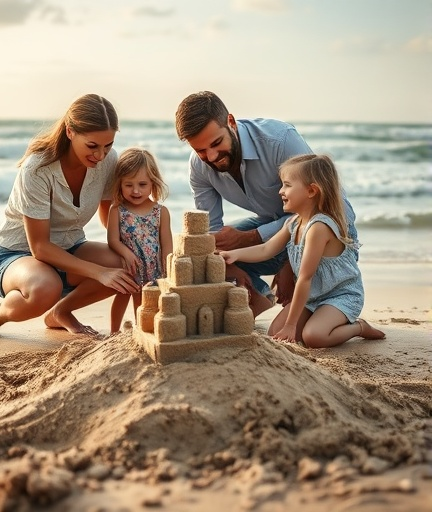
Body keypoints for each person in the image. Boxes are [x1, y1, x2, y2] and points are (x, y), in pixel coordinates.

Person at [0, 94, 139, 338]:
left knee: (129, 266)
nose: (100, 155)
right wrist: (99, 272)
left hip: (71, 247)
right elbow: (40, 248)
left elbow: (107, 219)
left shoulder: (109, 161)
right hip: (17, 255)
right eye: (92, 146)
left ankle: (60, 312)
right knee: (46, 288)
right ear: (70, 131)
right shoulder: (37, 168)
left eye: (107, 145)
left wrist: (141, 242)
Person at [175, 91, 358, 317]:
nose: (211, 157)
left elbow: (334, 208)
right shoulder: (198, 167)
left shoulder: (279, 140)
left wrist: (291, 261)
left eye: (216, 143)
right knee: (201, 256)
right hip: (277, 231)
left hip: (322, 232)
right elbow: (211, 231)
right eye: (200, 150)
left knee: (312, 330)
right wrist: (228, 266)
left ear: (231, 122)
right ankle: (260, 297)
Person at [219, 154, 385, 348]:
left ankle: (359, 327)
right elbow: (266, 249)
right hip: (314, 296)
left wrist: (291, 325)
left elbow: (305, 278)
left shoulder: (318, 228)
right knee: (274, 333)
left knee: (314, 337)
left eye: (287, 185)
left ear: (311, 190)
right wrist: (235, 254)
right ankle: (318, 317)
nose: (281, 191)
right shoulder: (293, 223)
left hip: (340, 295)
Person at [107, 148, 173, 334]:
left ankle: (142, 330)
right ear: (119, 184)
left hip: (154, 268)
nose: (135, 191)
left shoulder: (160, 212)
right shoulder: (117, 210)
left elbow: (167, 243)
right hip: (129, 266)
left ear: (153, 183)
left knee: (146, 300)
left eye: (142, 184)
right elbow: (112, 240)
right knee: (123, 296)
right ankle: (113, 332)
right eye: (128, 185)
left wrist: (168, 271)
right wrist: (126, 253)